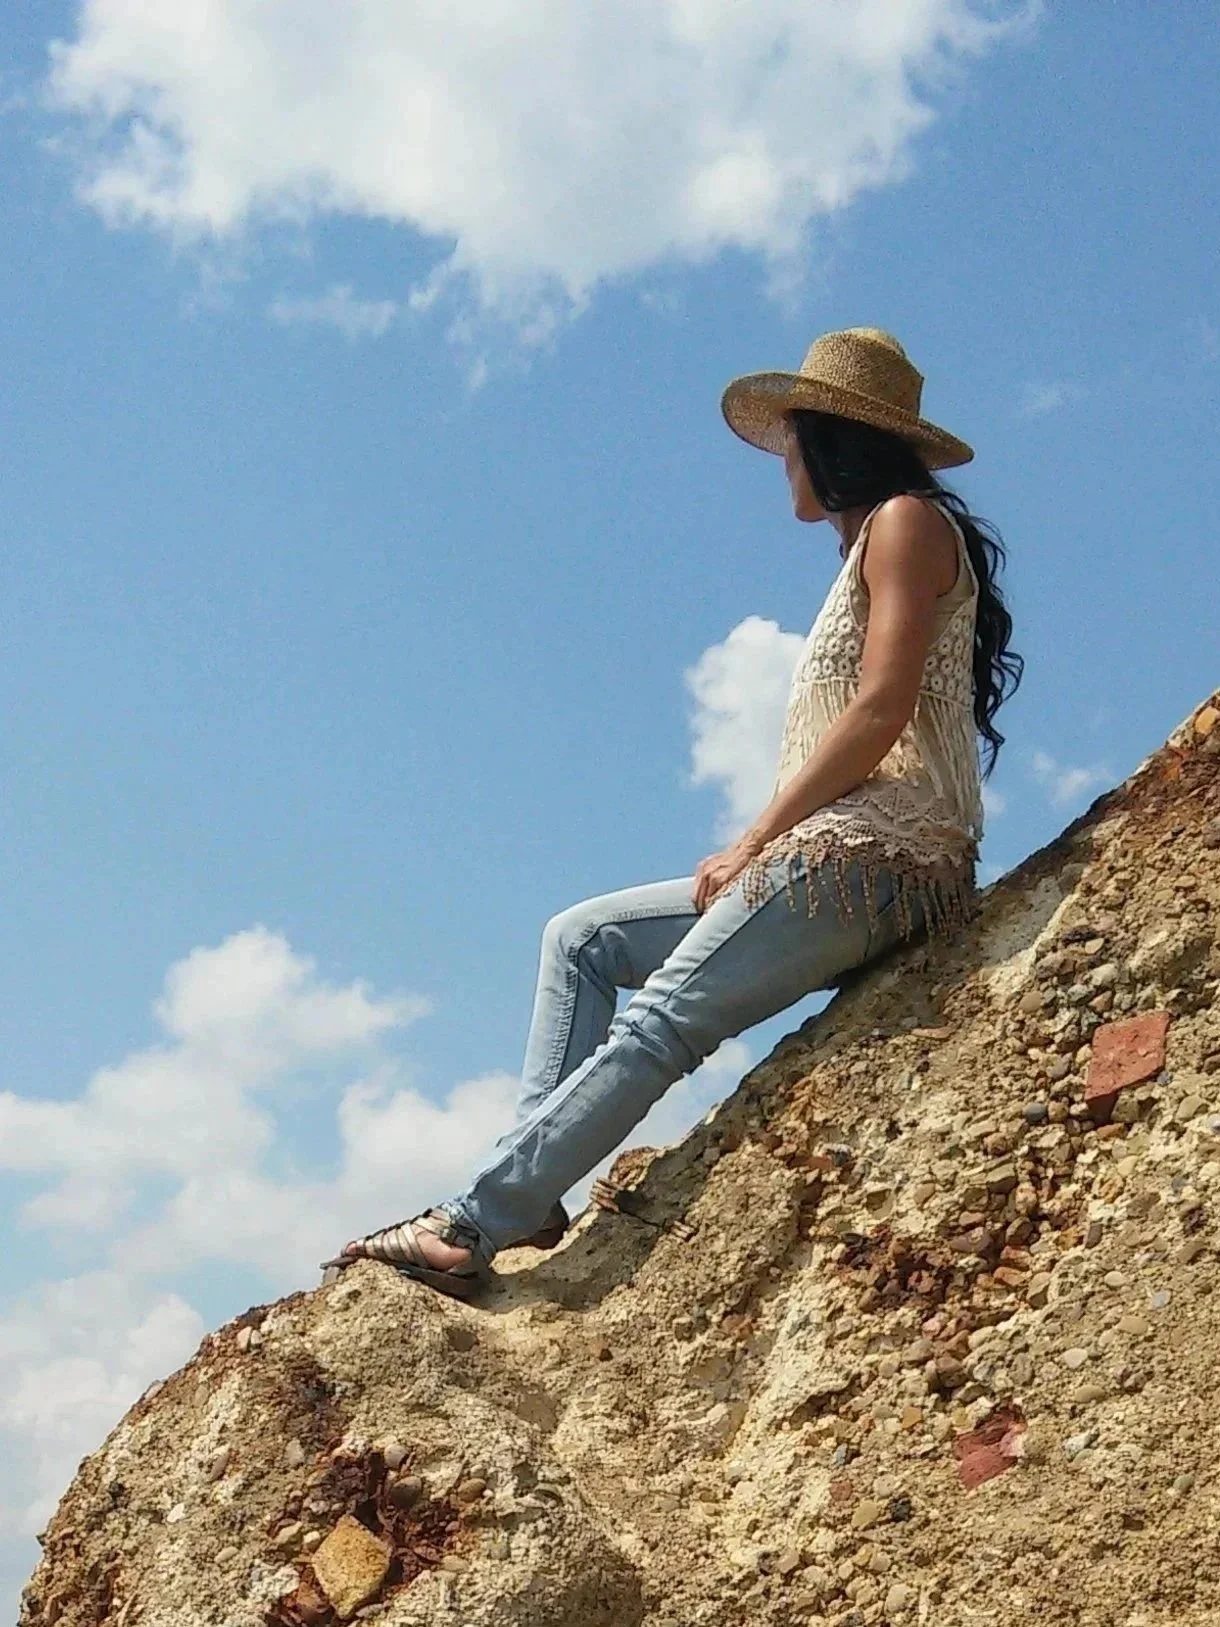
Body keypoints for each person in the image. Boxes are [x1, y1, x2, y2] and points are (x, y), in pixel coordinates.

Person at [321, 326, 1022, 1299]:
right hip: (849, 855)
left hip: (878, 857)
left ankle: (470, 1220)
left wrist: (754, 838)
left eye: (789, 441)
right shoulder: (870, 541)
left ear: (826, 440)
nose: (780, 463)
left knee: (659, 1022)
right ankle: (533, 1182)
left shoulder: (905, 520)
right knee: (583, 940)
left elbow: (879, 708)